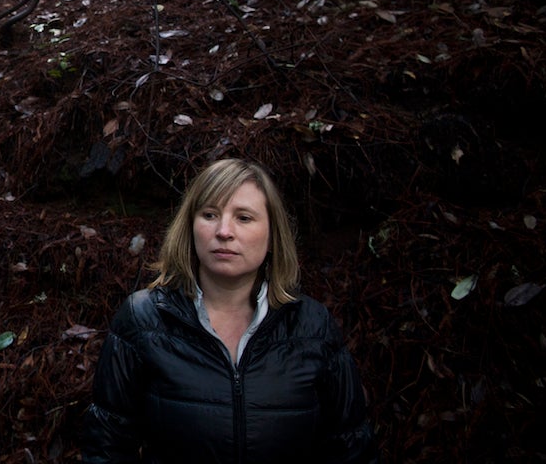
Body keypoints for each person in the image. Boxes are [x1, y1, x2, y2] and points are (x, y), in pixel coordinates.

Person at [79, 158, 375, 463]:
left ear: (272, 235)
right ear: (190, 227)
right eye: (209, 214)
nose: (223, 231)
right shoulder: (143, 320)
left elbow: (351, 449)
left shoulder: (313, 328)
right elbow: (106, 448)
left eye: (244, 218)